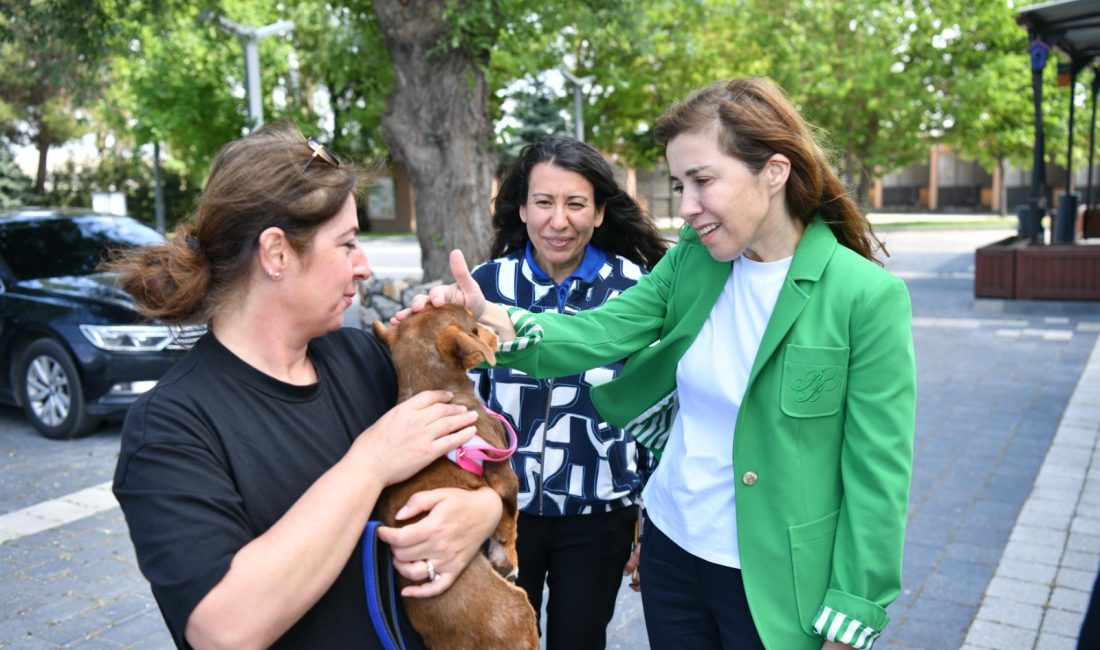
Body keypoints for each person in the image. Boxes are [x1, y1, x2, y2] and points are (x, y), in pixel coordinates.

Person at [401, 77, 916, 650]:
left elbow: (878, 477)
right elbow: (605, 329)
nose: (686, 208)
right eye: (678, 185)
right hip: (674, 551)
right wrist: (502, 322)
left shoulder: (865, 297)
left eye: (702, 181)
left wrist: (852, 613)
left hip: (775, 577)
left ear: (774, 171)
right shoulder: (695, 261)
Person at [110, 121, 503, 649]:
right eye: (346, 244)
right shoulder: (170, 426)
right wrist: (370, 463)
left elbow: (481, 462)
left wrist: (481, 513)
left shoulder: (367, 359)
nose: (364, 267)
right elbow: (225, 630)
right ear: (275, 253)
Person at [467, 137, 668, 649]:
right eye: (544, 202)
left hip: (600, 517)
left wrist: (650, 521)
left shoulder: (636, 290)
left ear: (600, 213)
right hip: (501, 516)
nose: (559, 220)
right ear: (522, 208)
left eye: (576, 203)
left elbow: (660, 409)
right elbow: (461, 401)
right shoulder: (486, 287)